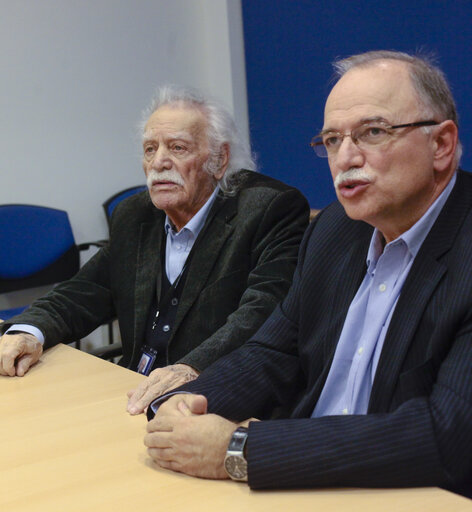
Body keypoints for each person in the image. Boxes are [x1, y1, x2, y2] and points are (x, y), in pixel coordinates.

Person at [144, 51, 472, 497]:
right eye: (332, 140)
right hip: (306, 480)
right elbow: (274, 351)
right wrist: (189, 401)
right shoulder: (337, 228)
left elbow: (447, 436)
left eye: (372, 132)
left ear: (442, 145)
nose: (345, 157)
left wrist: (240, 449)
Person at [0, 86, 309, 414]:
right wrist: (29, 331)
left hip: (211, 405)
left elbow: (263, 312)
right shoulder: (136, 215)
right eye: (150, 149)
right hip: (132, 396)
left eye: (178, 148)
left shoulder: (270, 209)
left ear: (219, 159)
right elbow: (84, 292)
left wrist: (193, 368)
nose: (159, 162)